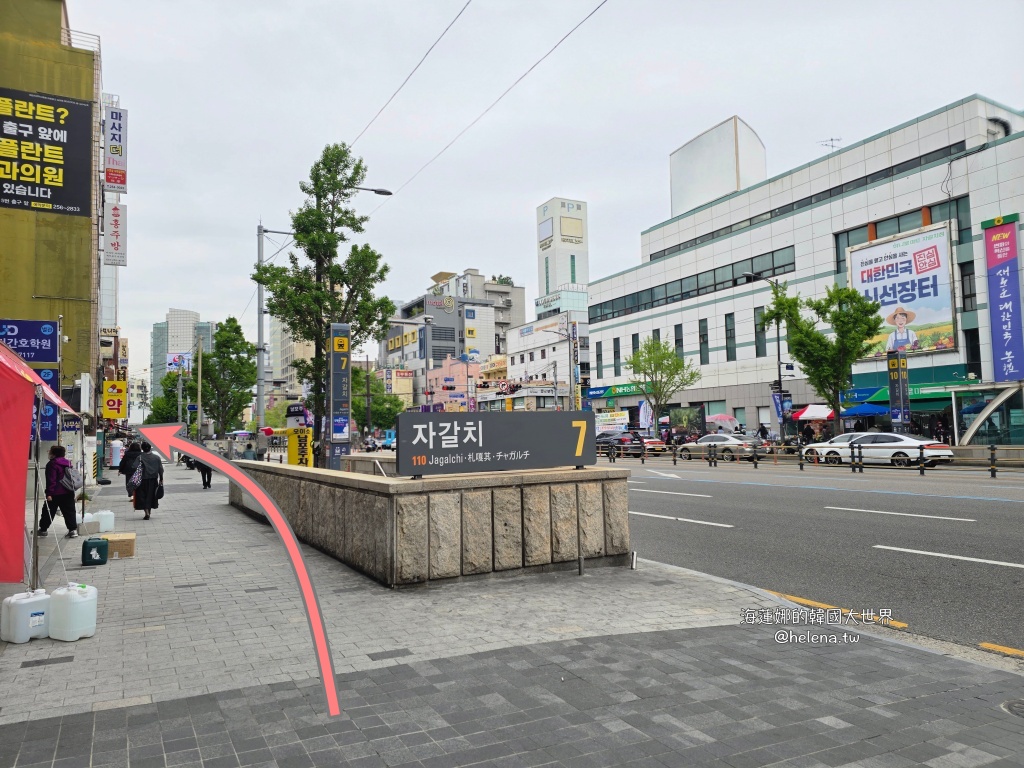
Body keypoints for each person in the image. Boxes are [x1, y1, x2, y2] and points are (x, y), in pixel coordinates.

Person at [39, 445, 78, 538]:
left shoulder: (52, 464)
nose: (49, 453)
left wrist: (49, 493)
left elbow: (51, 480)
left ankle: (43, 530)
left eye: (50, 451)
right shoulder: (68, 463)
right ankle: (73, 530)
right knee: (70, 511)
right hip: (68, 491)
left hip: (55, 493)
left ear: (54, 454)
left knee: (48, 511)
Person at [133, 442, 164, 520]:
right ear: (150, 448)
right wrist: (161, 478)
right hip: (153, 480)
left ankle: (146, 512)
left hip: (142, 480)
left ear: (142, 449)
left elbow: (134, 467)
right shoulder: (156, 457)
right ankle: (148, 511)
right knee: (151, 496)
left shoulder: (139, 457)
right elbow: (160, 469)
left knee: (143, 496)